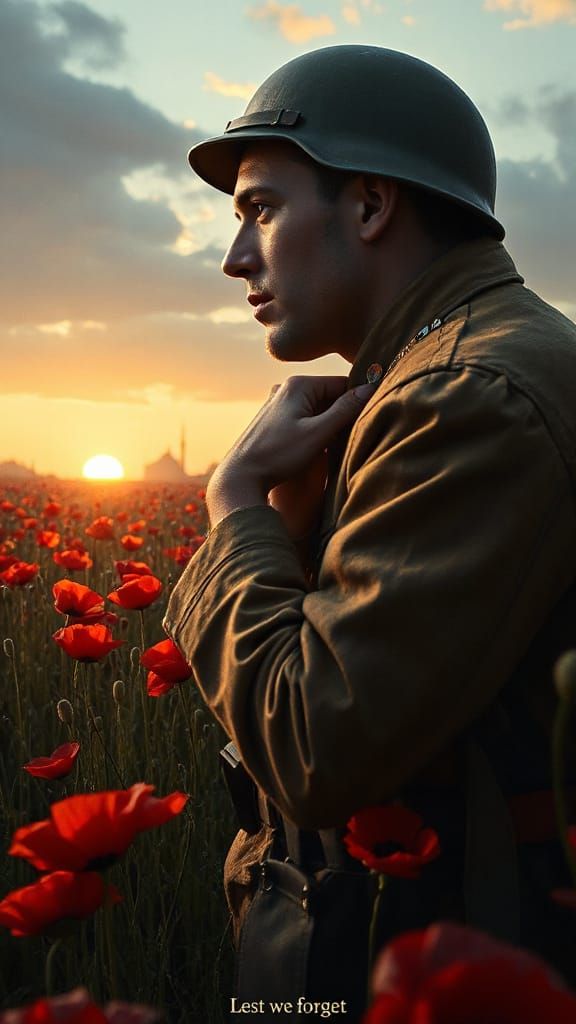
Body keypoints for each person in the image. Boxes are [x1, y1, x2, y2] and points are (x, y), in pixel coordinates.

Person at [163, 46, 576, 1021]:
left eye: (261, 209)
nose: (236, 257)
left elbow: (314, 743)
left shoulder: (468, 395)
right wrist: (294, 526)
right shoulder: (431, 376)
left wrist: (237, 506)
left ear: (371, 205)